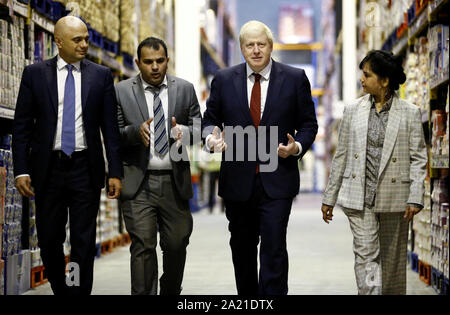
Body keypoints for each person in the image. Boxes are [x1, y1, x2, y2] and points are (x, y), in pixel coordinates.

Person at [202, 20, 318, 295]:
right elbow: (209, 120)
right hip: (237, 182)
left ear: (271, 46)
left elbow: (308, 124)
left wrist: (297, 147)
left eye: (261, 44)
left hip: (277, 179)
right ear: (241, 48)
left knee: (274, 248)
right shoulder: (223, 79)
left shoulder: (294, 78)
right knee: (242, 250)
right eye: (249, 45)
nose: (256, 50)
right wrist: (210, 138)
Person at [12, 16, 123, 295]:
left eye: (86, 38)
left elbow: (110, 129)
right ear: (58, 41)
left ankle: (77, 291)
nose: (85, 44)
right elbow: (22, 127)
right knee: (50, 238)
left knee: (83, 242)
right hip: (49, 169)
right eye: (78, 40)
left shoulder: (100, 76)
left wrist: (116, 172)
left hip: (85, 167)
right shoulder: (35, 74)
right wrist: (21, 170)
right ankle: (62, 289)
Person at [321, 50, 428, 295]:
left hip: (395, 198)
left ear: (384, 80)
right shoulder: (352, 110)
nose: (362, 79)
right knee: (366, 256)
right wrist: (330, 197)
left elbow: (418, 158)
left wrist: (415, 196)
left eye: (367, 75)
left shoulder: (409, 113)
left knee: (393, 262)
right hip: (359, 198)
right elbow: (342, 155)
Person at [115, 37, 201, 295]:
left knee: (177, 243)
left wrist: (183, 132)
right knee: (143, 245)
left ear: (167, 60)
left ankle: (170, 288)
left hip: (174, 182)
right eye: (148, 62)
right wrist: (133, 132)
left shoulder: (185, 89)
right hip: (138, 182)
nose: (155, 67)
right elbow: (113, 132)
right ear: (137, 63)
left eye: (160, 61)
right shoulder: (121, 91)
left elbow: (200, 129)